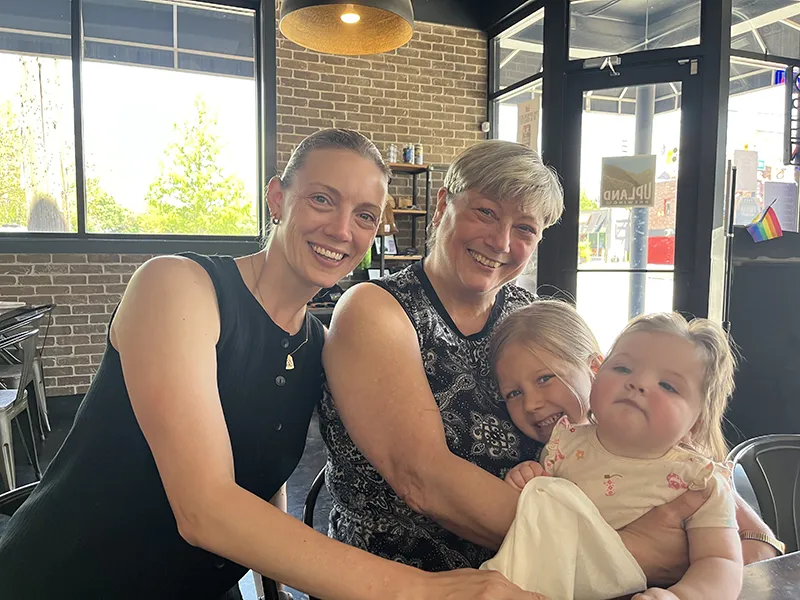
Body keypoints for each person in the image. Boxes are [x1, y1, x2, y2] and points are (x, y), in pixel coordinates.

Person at [0, 129, 540, 600]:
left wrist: (271, 586)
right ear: (277, 198)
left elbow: (263, 477)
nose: (341, 230)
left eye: (365, 216)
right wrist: (422, 591)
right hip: (66, 578)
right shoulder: (179, 287)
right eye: (322, 200)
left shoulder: (313, 344)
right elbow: (205, 508)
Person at [320, 140, 780, 584]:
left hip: (554, 576)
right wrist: (623, 553)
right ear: (443, 205)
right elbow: (424, 480)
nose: (500, 241)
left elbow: (613, 410)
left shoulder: (528, 313)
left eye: (525, 229)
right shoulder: (376, 311)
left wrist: (744, 528)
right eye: (486, 212)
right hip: (410, 579)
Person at [493, 304, 765, 599]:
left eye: (667, 385)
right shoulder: (562, 445)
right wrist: (531, 483)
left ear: (696, 423)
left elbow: (720, 561)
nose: (638, 383)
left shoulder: (699, 480)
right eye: (623, 368)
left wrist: (682, 596)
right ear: (599, 374)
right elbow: (546, 521)